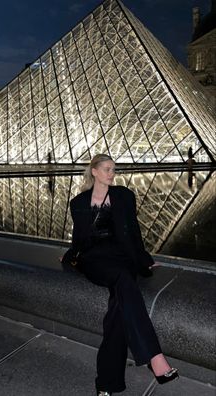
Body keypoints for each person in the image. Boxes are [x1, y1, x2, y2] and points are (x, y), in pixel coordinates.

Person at [62, 154, 179, 395]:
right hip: (94, 258)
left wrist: (144, 260)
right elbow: (79, 240)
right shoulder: (78, 203)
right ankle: (154, 357)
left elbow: (133, 232)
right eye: (107, 169)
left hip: (121, 256)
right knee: (123, 281)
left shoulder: (124, 196)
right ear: (94, 171)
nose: (111, 174)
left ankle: (106, 384)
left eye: (113, 170)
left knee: (118, 308)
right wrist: (68, 256)